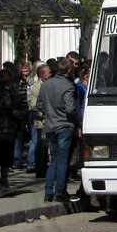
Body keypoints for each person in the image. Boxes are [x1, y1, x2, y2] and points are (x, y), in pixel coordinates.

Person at [37, 57, 77, 203]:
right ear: (69, 70)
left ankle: (48, 192)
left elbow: (39, 105)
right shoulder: (68, 86)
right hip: (63, 125)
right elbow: (70, 108)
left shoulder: (46, 84)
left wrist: (50, 113)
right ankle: (59, 191)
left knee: (54, 159)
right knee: (62, 159)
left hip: (50, 125)